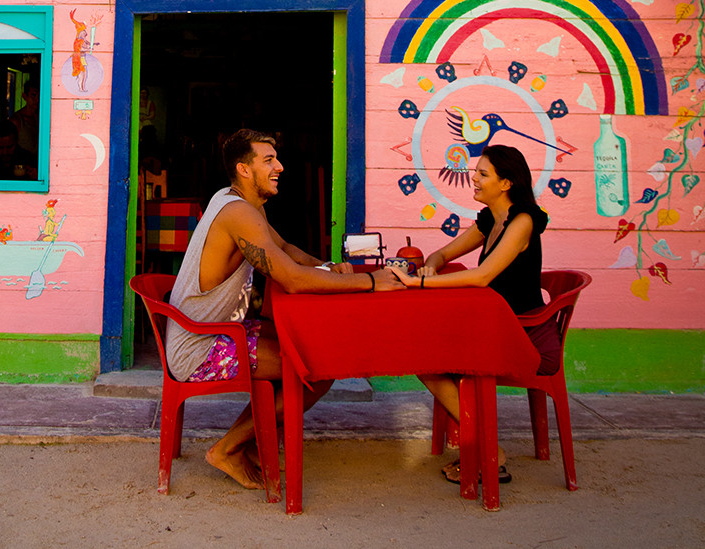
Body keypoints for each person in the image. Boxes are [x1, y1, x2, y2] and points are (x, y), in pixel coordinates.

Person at [166, 128, 403, 490]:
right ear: (244, 170)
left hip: (213, 334)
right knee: (318, 368)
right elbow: (291, 279)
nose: (280, 166)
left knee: (307, 347)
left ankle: (252, 442)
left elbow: (286, 249)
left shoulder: (237, 203)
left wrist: (327, 265)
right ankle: (227, 449)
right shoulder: (238, 214)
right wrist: (372, 282)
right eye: (268, 161)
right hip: (199, 348)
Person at [387, 144, 552, 485]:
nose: (472, 179)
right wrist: (431, 267)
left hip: (520, 331)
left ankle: (489, 449)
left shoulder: (521, 221)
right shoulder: (491, 218)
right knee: (419, 351)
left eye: (482, 174)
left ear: (506, 183)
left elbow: (481, 276)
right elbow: (442, 253)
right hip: (491, 321)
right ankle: (483, 442)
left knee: (424, 357)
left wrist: (418, 283)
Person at [11, 82, 41, 155]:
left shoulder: (41, 119)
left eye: (39, 96)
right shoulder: (16, 120)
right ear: (25, 96)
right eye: (33, 95)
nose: (37, 99)